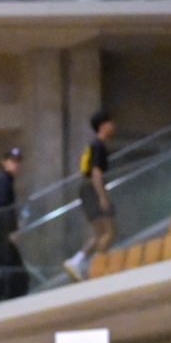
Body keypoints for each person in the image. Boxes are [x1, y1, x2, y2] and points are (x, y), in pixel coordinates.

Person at [66, 111, 116, 277]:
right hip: (92, 190)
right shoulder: (98, 146)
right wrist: (102, 196)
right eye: (110, 122)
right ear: (102, 126)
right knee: (109, 231)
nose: (113, 125)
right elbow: (96, 173)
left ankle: (77, 261)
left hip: (87, 190)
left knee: (100, 232)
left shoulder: (93, 145)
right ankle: (96, 268)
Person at [0, 149, 27, 304]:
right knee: (12, 273)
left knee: (7, 273)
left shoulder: (3, 180)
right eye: (12, 161)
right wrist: (10, 231)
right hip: (0, 233)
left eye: (17, 162)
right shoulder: (4, 181)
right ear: (4, 162)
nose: (15, 165)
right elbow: (2, 209)